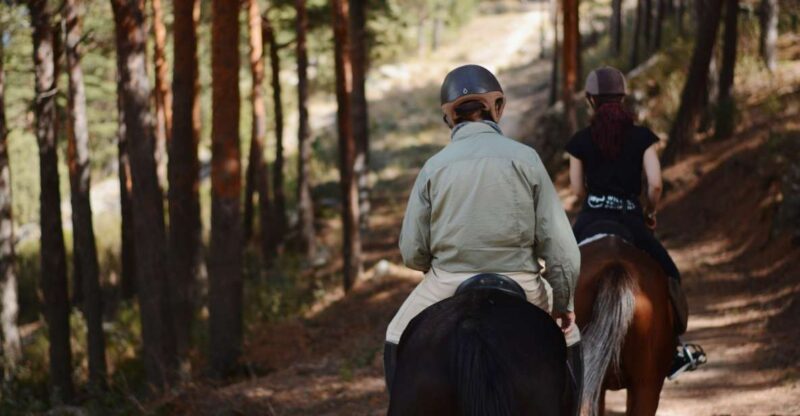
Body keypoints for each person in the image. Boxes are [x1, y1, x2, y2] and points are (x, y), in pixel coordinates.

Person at [384, 64, 583, 412]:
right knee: (572, 339)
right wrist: (563, 304)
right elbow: (562, 250)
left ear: (449, 116)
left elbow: (412, 252)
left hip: (448, 280)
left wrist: (439, 262)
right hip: (522, 279)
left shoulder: (434, 166)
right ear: (498, 106)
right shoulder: (527, 159)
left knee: (395, 336)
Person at [565, 66, 706, 379]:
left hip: (590, 220)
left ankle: (554, 348)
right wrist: (649, 211)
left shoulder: (580, 141)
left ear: (591, 100)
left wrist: (595, 198)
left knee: (560, 274)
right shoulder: (642, 137)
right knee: (669, 274)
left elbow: (576, 190)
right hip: (631, 221)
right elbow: (655, 184)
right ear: (623, 98)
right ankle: (674, 349)